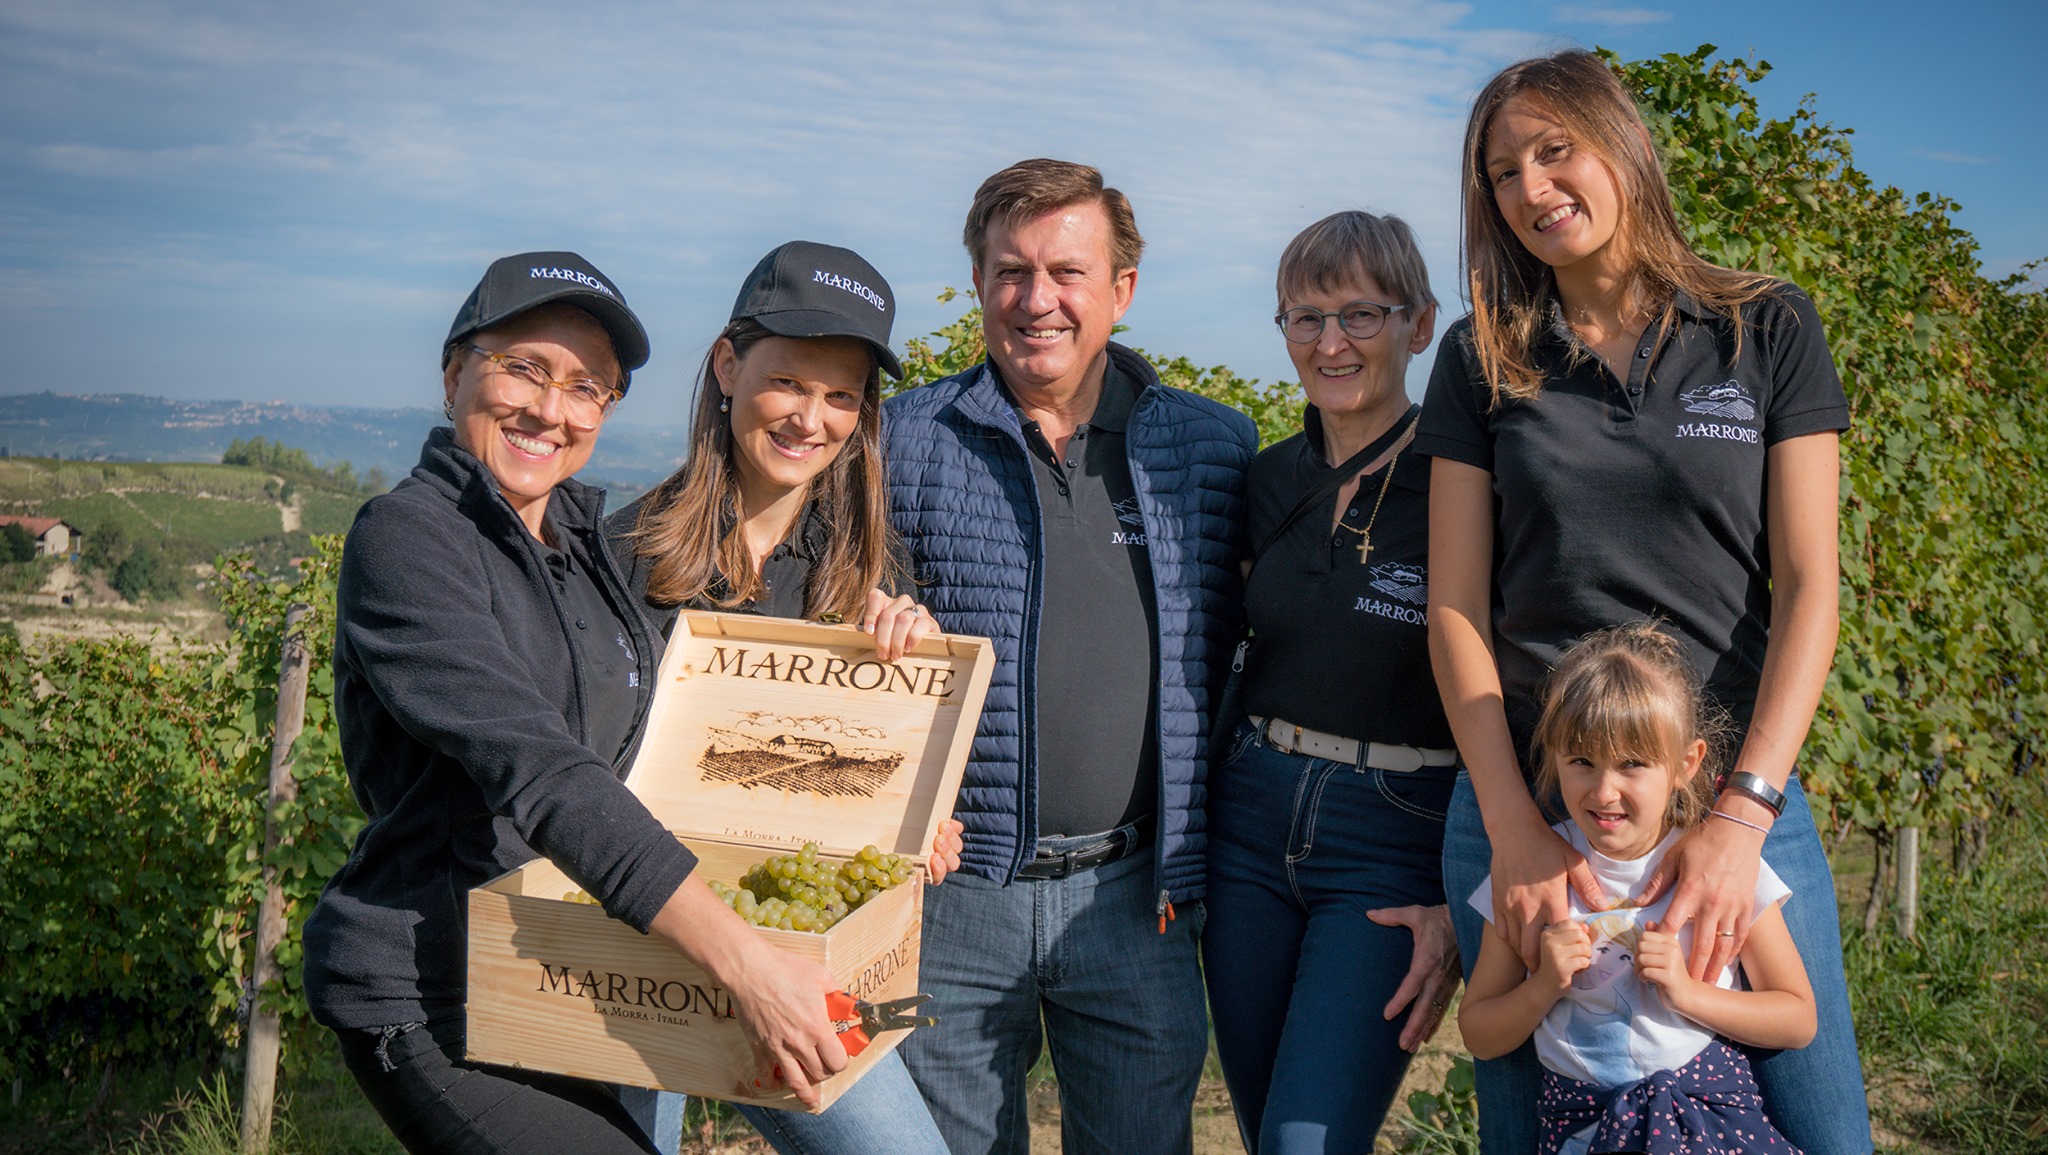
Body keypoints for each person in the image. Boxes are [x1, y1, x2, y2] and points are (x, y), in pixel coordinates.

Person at [300, 250, 933, 1155]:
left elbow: (674, 760)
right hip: (458, 976)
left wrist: (898, 799)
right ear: (453, 373)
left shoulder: (576, 549)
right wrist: (747, 960)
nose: (552, 407)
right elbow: (549, 768)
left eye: (587, 386)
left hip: (607, 944)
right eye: (523, 367)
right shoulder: (416, 539)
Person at [1420, 50, 1873, 1154]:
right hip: (1539, 804)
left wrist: (1740, 816)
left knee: (1823, 1134)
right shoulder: (1482, 357)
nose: (1528, 188)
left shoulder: (1762, 327)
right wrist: (1514, 828)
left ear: (1618, 144)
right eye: (1500, 172)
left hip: (1729, 801)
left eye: (1552, 150)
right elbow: (1454, 608)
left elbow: (1811, 582)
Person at [881, 158, 1257, 1155]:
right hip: (949, 900)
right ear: (976, 282)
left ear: (1121, 290)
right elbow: (836, 628)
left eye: (1066, 272)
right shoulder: (898, 440)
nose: (1035, 299)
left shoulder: (1213, 450)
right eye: (1009, 271)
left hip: (1138, 900)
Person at [608, 240, 958, 1153]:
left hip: (797, 954)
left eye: (842, 396)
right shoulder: (620, 557)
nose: (813, 418)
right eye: (789, 382)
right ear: (727, 365)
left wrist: (918, 799)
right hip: (642, 945)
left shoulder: (870, 573)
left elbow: (864, 784)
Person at [1200, 210, 1463, 1152]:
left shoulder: (1467, 483)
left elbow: (1517, 694)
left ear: (1420, 323)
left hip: (1396, 837)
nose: (1330, 342)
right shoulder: (1264, 480)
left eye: (1359, 313)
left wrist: (1459, 901)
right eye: (1303, 319)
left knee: (1306, 1141)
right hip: (1248, 823)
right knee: (1262, 1117)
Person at [1459, 622, 1815, 1154]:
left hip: (1710, 1131)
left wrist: (1688, 994)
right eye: (1581, 762)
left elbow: (1797, 1019)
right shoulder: (1529, 879)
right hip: (1584, 1134)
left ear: (1686, 764)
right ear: (1552, 756)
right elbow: (1478, 1031)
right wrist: (1542, 987)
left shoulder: (1722, 877)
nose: (1604, 791)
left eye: (1632, 765)